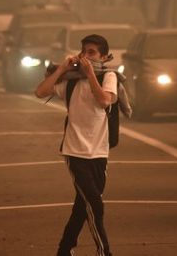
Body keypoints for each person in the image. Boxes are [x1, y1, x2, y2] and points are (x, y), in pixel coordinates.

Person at [35, 34, 117, 256]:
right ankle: (104, 252)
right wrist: (61, 70)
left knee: (82, 206)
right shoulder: (70, 82)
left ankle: (64, 249)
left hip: (99, 152)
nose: (86, 57)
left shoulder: (108, 77)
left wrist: (90, 74)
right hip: (75, 151)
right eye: (84, 52)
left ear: (104, 56)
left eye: (92, 52)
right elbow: (41, 92)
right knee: (95, 204)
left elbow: (104, 101)